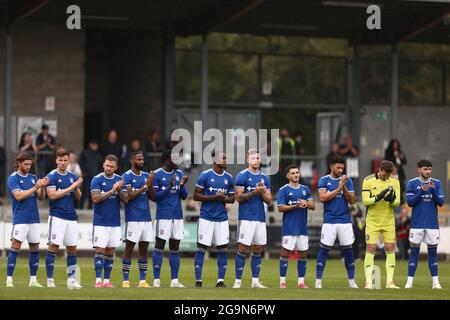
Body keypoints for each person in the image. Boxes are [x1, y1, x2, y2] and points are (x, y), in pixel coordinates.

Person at [193, 151, 235, 288]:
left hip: (222, 218)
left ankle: (220, 281)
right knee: (201, 248)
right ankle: (198, 281)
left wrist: (223, 198)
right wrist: (213, 198)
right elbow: (196, 196)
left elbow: (232, 198)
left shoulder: (228, 177)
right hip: (206, 217)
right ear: (215, 160)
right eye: (223, 157)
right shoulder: (205, 175)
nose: (226, 160)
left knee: (222, 248)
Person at [6, 152, 48, 288]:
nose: (28, 167)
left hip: (34, 218)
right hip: (20, 219)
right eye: (26, 164)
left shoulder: (33, 177)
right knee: (15, 248)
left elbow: (41, 198)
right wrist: (35, 187)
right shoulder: (13, 178)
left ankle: (33, 280)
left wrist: (42, 187)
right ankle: (9, 280)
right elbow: (18, 196)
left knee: (35, 248)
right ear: (19, 163)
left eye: (30, 164)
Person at [315, 156, 358, 289]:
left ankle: (352, 282)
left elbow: (352, 200)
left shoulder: (347, 180)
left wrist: (344, 187)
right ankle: (318, 281)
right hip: (329, 221)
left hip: (345, 221)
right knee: (324, 250)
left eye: (342, 168)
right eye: (338, 167)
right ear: (331, 167)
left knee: (348, 251)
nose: (340, 170)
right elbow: (322, 198)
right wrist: (339, 188)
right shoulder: (324, 180)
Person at [232, 149, 272, 289]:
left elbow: (269, 201)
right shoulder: (242, 176)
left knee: (258, 248)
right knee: (243, 248)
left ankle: (255, 281)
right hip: (246, 217)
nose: (256, 160)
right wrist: (255, 192)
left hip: (260, 218)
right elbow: (239, 198)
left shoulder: (265, 178)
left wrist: (261, 193)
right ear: (248, 160)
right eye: (253, 158)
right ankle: (238, 281)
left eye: (258, 158)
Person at [44, 150, 83, 289]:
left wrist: (77, 188)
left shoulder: (73, 176)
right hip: (57, 217)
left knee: (72, 249)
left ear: (69, 161)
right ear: (56, 160)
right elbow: (52, 195)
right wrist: (71, 187)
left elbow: (78, 198)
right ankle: (50, 280)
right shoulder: (51, 176)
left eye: (65, 160)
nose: (62, 163)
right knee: (53, 247)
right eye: (60, 160)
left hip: (71, 217)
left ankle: (71, 280)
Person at [150, 150, 189, 288]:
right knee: (159, 247)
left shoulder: (179, 174)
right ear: (167, 160)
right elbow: (155, 197)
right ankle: (156, 280)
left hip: (177, 216)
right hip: (163, 216)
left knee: (175, 248)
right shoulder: (157, 174)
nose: (178, 161)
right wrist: (169, 187)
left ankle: (174, 280)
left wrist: (182, 185)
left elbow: (184, 196)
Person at [405, 159, 444, 289]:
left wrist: (432, 191)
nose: (428, 171)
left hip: (432, 225)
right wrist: (421, 191)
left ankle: (435, 282)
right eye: (425, 169)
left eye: (429, 169)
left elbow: (440, 203)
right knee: (414, 253)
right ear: (419, 169)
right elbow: (410, 202)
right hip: (417, 225)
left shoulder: (437, 183)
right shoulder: (412, 183)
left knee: (433, 254)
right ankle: (409, 282)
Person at [90, 154, 128, 288]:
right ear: (103, 165)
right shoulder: (97, 179)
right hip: (100, 222)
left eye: (112, 166)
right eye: (107, 165)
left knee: (110, 251)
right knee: (100, 250)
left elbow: (125, 200)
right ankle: (98, 280)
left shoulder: (120, 180)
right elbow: (95, 199)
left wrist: (119, 190)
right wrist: (111, 190)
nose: (109, 168)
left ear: (116, 167)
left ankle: (107, 281)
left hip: (115, 222)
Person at [362, 160, 401, 289]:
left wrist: (392, 200)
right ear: (380, 170)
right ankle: (368, 281)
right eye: (385, 175)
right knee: (371, 248)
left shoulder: (395, 182)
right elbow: (365, 201)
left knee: (390, 248)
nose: (387, 177)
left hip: (388, 220)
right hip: (372, 220)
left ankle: (390, 282)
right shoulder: (368, 180)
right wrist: (378, 197)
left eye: (389, 175)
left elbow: (398, 203)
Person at [277, 164, 315, 289]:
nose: (296, 175)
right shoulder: (284, 190)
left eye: (297, 172)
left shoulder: (305, 189)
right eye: (293, 173)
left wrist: (306, 204)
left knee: (303, 255)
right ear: (288, 175)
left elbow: (312, 205)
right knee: (285, 254)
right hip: (289, 228)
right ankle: (282, 282)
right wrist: (296, 206)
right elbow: (280, 207)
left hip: (302, 228)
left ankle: (301, 282)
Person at [121, 151, 154, 288]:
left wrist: (150, 184)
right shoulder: (126, 176)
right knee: (129, 248)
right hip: (133, 218)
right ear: (132, 160)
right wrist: (145, 185)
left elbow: (152, 197)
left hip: (146, 218)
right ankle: (126, 280)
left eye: (142, 159)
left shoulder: (146, 176)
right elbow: (128, 197)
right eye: (138, 159)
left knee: (144, 249)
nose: (141, 161)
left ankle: (142, 281)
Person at [79, 140, 104, 209]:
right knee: (84, 192)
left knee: (93, 193)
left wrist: (99, 175)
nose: (95, 146)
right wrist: (84, 172)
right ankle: (80, 208)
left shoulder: (99, 155)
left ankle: (90, 207)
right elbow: (81, 163)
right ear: (90, 145)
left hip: (95, 177)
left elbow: (101, 166)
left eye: (96, 145)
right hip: (86, 177)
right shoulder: (85, 153)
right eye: (93, 144)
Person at [384, 139, 407, 203]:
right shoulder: (388, 152)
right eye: (394, 145)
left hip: (399, 173)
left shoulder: (400, 152)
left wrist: (400, 157)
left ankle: (401, 205)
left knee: (401, 188)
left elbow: (405, 162)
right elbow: (386, 161)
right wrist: (392, 168)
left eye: (396, 145)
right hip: (391, 172)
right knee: (391, 188)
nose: (395, 146)